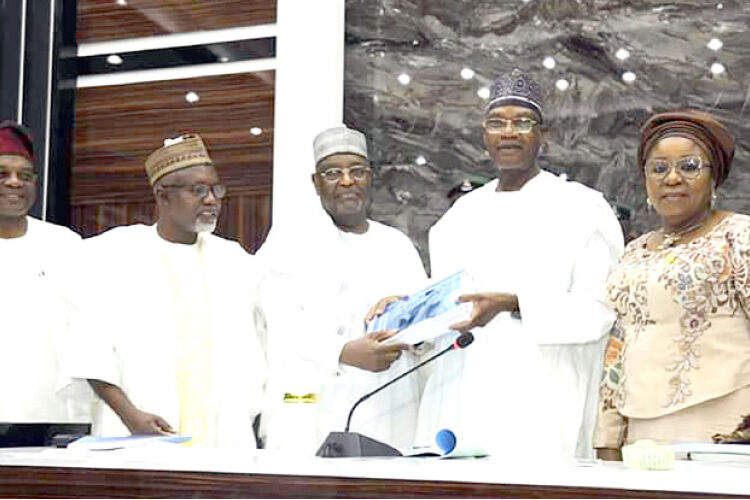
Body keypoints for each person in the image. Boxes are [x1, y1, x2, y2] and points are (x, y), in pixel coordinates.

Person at [415, 69, 624, 460]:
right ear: (485, 136)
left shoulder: (582, 207)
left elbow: (600, 312)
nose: (508, 132)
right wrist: (404, 309)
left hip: (542, 398)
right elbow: (444, 305)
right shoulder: (459, 216)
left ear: (543, 135)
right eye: (497, 123)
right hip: (463, 394)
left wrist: (515, 303)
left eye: (522, 122)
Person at [63, 134, 266, 448]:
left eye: (216, 189)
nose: (212, 199)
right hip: (139, 429)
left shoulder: (234, 260)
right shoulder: (116, 253)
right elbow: (90, 349)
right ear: (162, 195)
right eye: (197, 190)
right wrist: (130, 416)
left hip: (221, 432)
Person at [258, 125, 426, 452]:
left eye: (356, 171)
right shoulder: (289, 241)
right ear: (316, 182)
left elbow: (425, 327)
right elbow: (281, 322)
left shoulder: (397, 245)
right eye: (333, 172)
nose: (347, 181)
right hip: (308, 408)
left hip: (386, 407)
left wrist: (406, 310)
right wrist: (343, 352)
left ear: (370, 177)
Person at [595, 110, 750, 458]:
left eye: (690, 166)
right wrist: (608, 438)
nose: (673, 178)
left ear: (715, 178)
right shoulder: (634, 251)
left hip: (725, 431)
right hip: (641, 435)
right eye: (659, 168)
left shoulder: (739, 236)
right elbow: (618, 346)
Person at [0, 120, 88, 424]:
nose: (14, 183)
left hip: (50, 418)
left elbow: (89, 329)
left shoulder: (64, 244)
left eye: (24, 176)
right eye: (3, 174)